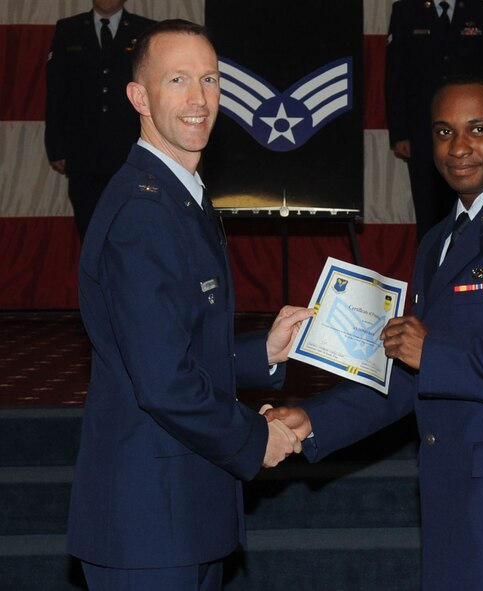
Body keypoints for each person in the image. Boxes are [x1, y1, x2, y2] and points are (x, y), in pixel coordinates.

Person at [274, 73, 483, 590]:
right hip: (450, 499)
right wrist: (312, 421)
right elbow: (411, 372)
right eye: (444, 132)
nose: (459, 147)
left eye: (477, 128)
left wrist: (436, 352)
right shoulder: (438, 240)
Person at [66, 20, 314, 590]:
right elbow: (163, 381)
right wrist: (257, 438)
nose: (198, 99)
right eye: (177, 80)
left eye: (209, 79)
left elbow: (174, 343)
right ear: (139, 96)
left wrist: (263, 354)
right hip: (149, 522)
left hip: (180, 511)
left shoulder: (180, 194)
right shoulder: (145, 212)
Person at [385, 0, 483, 241]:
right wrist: (399, 133)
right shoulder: (406, 10)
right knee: (428, 213)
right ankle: (431, 274)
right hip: (422, 132)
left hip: (473, 134)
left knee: (474, 209)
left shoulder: (481, 10)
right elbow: (395, 76)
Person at [45, 0, 154, 241]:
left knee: (134, 232)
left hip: (132, 154)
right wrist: (55, 147)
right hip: (83, 155)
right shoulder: (68, 29)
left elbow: (155, 93)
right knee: (91, 233)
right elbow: (56, 92)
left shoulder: (144, 30)